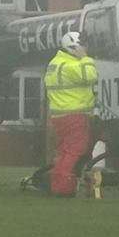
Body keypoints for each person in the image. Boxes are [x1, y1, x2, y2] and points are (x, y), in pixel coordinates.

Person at [43, 31, 98, 197]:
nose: (86, 48)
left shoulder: (55, 63)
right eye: (83, 45)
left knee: (64, 152)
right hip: (74, 115)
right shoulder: (72, 65)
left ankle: (57, 183)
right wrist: (86, 58)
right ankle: (63, 186)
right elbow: (91, 77)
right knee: (75, 150)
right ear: (74, 47)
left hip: (59, 117)